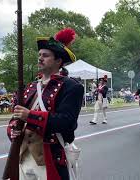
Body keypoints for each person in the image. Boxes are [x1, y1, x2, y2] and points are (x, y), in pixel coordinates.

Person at [6, 28, 84, 180]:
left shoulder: (72, 87)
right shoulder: (31, 86)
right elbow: (16, 117)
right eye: (39, 55)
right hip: (23, 156)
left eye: (46, 55)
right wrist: (12, 130)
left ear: (58, 61)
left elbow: (66, 122)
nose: (40, 58)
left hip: (49, 159)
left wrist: (30, 116)